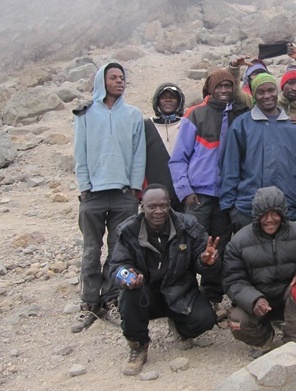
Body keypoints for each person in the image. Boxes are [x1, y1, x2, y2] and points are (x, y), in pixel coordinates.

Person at [110, 185, 219, 375]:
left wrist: (206, 262)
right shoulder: (129, 231)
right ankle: (138, 346)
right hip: (146, 292)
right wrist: (128, 277)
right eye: (152, 206)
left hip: (180, 291)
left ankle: (180, 327)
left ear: (170, 205)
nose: (158, 211)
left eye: (163, 206)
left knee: (206, 319)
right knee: (128, 295)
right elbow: (118, 265)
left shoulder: (188, 225)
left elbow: (201, 259)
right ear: (142, 206)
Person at [72, 62, 145, 333]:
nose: (119, 81)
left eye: (122, 77)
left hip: (124, 194)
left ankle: (113, 297)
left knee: (118, 250)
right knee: (91, 250)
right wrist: (84, 188)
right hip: (93, 194)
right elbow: (80, 153)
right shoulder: (85, 114)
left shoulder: (134, 115)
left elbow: (139, 155)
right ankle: (90, 302)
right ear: (101, 82)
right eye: (113, 77)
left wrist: (135, 188)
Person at [169, 68, 250, 303]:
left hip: (226, 195)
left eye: (228, 86)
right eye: (219, 86)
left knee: (220, 245)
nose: (224, 90)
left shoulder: (240, 115)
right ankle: (185, 295)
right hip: (198, 196)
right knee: (189, 245)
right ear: (210, 89)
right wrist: (185, 192)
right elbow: (178, 158)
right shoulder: (195, 114)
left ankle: (211, 297)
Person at [223, 186, 296, 357]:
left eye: (275, 214)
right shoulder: (238, 242)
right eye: (263, 214)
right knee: (237, 321)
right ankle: (264, 340)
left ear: (284, 213)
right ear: (255, 215)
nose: (269, 219)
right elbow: (232, 280)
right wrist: (253, 299)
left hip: (290, 296)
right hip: (258, 301)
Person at [220, 73, 296, 232]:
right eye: (261, 92)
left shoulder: (293, 127)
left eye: (271, 90)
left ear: (277, 91)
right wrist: (230, 208)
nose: (267, 96)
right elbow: (230, 168)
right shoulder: (241, 125)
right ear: (254, 95)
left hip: (288, 210)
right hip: (247, 210)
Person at [142, 83, 185, 212]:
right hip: (154, 193)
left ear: (179, 101)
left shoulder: (186, 124)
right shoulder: (146, 125)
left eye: (172, 97)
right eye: (163, 97)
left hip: (182, 193)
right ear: (157, 101)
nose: (168, 100)